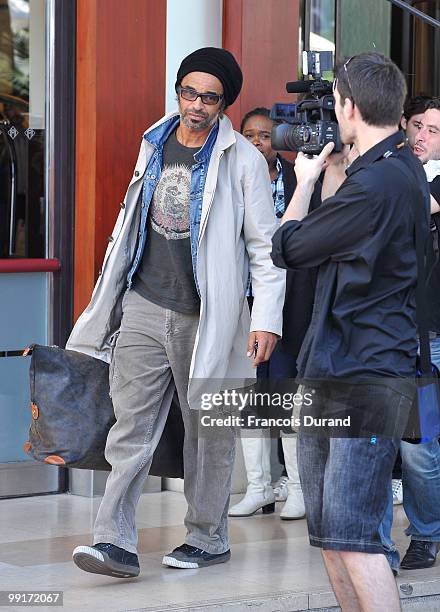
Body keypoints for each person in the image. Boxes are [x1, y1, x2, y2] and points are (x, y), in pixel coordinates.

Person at [68, 47, 285, 577]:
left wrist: (267, 319)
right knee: (131, 425)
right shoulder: (155, 140)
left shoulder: (243, 160)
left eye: (209, 97)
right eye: (189, 92)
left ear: (223, 103)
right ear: (178, 92)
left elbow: (266, 248)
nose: (197, 104)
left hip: (207, 314)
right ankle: (113, 541)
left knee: (207, 430)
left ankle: (208, 538)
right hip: (144, 302)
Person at [271, 53, 429, 612]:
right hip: (338, 366)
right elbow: (343, 240)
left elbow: (287, 246)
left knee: (356, 538)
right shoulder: (396, 171)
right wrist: (334, 173)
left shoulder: (379, 183)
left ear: (349, 106)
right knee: (331, 533)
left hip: (364, 377)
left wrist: (303, 182)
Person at [228, 107, 320, 520]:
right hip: (243, 303)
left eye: (265, 135)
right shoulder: (231, 178)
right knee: (250, 392)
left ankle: (298, 489)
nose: (257, 142)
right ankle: (259, 488)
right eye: (249, 134)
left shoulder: (299, 180)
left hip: (291, 306)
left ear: (277, 141)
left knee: (286, 392)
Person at [380, 96, 440, 572]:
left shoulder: (421, 181)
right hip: (395, 334)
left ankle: (426, 532)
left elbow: (416, 207)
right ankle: (396, 542)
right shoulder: (393, 169)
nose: (423, 136)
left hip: (430, 334)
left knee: (421, 447)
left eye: (434, 130)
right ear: (402, 124)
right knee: (396, 444)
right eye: (417, 125)